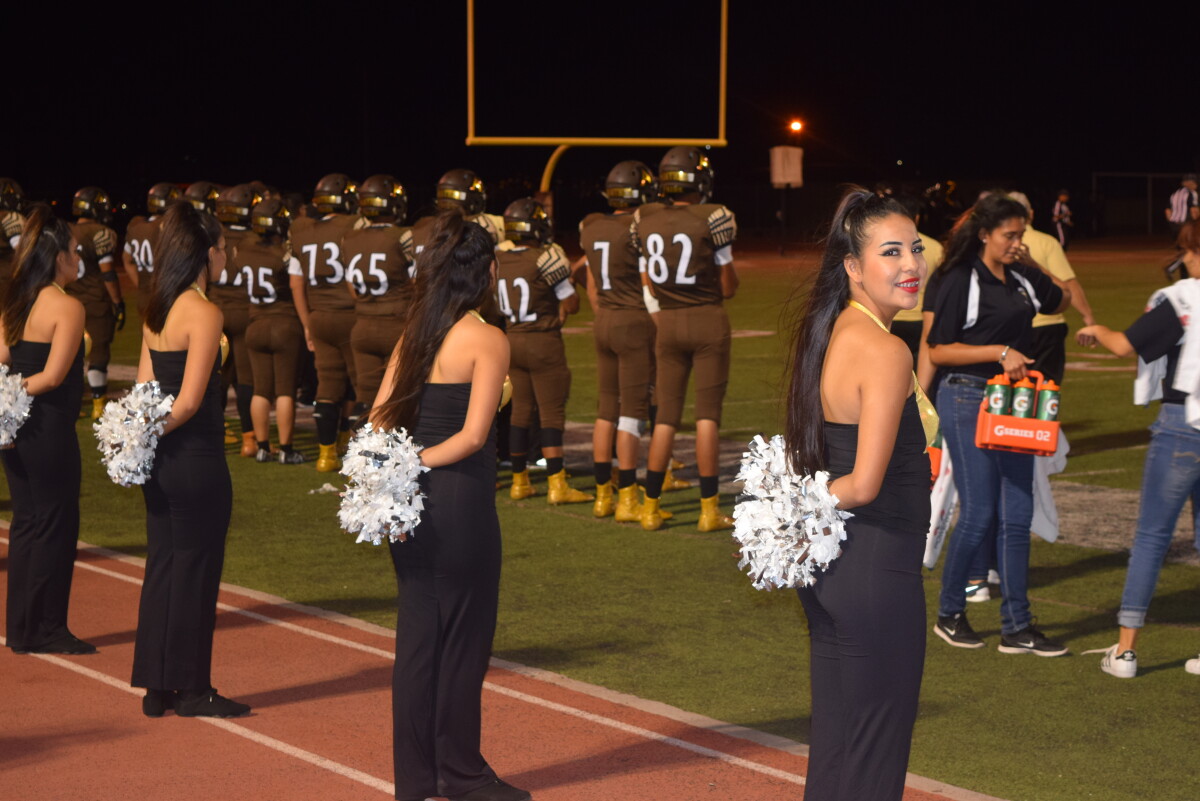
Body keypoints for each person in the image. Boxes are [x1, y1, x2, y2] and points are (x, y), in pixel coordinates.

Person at [369, 212, 529, 801]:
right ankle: (460, 774)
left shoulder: (416, 334)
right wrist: (417, 464)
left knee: (417, 643)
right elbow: (472, 436)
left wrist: (391, 474)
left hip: (408, 507)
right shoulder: (487, 338)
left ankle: (416, 779)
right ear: (486, 273)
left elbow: (379, 420)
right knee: (463, 643)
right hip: (458, 503)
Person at [784, 188, 934, 801]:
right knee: (873, 756)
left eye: (917, 249)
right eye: (891, 252)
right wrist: (786, 513)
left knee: (840, 747)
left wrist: (789, 516)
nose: (911, 266)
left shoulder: (830, 331)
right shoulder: (886, 348)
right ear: (852, 266)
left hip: (832, 568)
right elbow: (864, 483)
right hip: (876, 568)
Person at [925, 193, 1072, 656]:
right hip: (968, 395)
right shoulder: (958, 278)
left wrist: (1027, 262)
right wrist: (997, 353)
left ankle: (1017, 625)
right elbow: (937, 350)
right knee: (981, 512)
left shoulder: (1019, 277)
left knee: (1017, 515)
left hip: (1014, 402)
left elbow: (1058, 298)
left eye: (1021, 234)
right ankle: (950, 613)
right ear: (985, 233)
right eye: (1010, 235)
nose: (1017, 243)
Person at [130, 200, 248, 719]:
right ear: (206, 252)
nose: (227, 255)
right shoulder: (204, 311)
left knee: (163, 566)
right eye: (223, 247)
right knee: (196, 572)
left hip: (158, 462)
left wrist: (135, 439)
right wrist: (153, 430)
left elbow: (141, 388)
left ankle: (157, 687)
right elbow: (190, 402)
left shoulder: (157, 308)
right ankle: (194, 689)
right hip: (196, 458)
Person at [1076, 221, 1200, 678]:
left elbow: (1127, 346)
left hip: (1181, 425)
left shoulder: (1183, 295)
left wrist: (1098, 329)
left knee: (1151, 538)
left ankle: (1126, 650)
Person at [1, 203, 93, 655]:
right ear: (57, 256)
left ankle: (21, 628)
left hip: (13, 431)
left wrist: (5, 402)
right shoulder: (67, 306)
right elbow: (54, 377)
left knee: (27, 524)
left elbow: (2, 359)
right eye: (76, 250)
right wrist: (15, 396)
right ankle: (48, 628)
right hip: (48, 428)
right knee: (56, 525)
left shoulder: (17, 301)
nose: (81, 258)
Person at [632, 146, 739, 531]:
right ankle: (709, 511)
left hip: (669, 324)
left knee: (665, 419)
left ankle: (649, 507)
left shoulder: (644, 217)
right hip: (708, 319)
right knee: (707, 417)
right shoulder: (714, 216)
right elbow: (728, 287)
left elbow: (648, 277)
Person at [577, 161, 662, 520]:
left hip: (605, 320)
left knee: (605, 409)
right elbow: (648, 282)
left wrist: (600, 309)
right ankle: (627, 497)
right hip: (632, 321)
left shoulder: (592, 227)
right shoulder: (637, 228)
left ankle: (602, 494)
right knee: (631, 414)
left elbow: (583, 272)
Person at [496, 197, 590, 505]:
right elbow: (571, 303)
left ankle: (519, 481)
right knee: (551, 413)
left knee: (520, 410)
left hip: (512, 339)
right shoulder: (546, 256)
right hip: (542, 341)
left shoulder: (498, 258)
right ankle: (556, 483)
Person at [288, 173, 365, 472]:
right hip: (351, 315)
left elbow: (297, 284)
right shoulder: (354, 226)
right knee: (363, 387)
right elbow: (352, 277)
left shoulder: (302, 230)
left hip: (319, 315)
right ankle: (358, 453)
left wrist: (308, 321)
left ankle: (325, 455)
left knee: (327, 387)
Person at [241, 198, 305, 463]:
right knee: (285, 391)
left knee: (260, 390)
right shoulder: (286, 252)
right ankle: (286, 450)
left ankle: (262, 447)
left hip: (255, 324)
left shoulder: (242, 248)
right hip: (283, 323)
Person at [344, 174, 414, 409]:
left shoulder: (350, 238)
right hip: (395, 324)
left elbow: (351, 287)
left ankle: (363, 445)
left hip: (362, 323)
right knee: (397, 396)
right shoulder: (403, 236)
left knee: (365, 397)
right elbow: (418, 282)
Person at [211, 183, 262, 456]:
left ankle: (215, 433)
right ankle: (248, 439)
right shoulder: (255, 239)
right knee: (246, 379)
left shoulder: (213, 236)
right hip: (246, 311)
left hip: (217, 311)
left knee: (218, 376)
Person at [66, 186, 124, 419]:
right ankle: (99, 403)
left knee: (68, 353)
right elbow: (108, 273)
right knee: (99, 351)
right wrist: (118, 301)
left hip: (68, 301)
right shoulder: (101, 232)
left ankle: (72, 401)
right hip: (95, 301)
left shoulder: (65, 230)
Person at [123, 182, 181, 289]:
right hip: (169, 298)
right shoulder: (172, 226)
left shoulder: (136, 226)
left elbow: (127, 261)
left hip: (145, 298)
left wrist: (141, 286)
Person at [1165, 173, 1198, 241]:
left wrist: (1172, 222)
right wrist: (1196, 222)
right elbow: (1193, 210)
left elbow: (1167, 211)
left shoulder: (1174, 194)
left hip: (1174, 223)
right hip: (1186, 222)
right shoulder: (1192, 193)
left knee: (1180, 244)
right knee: (1190, 243)